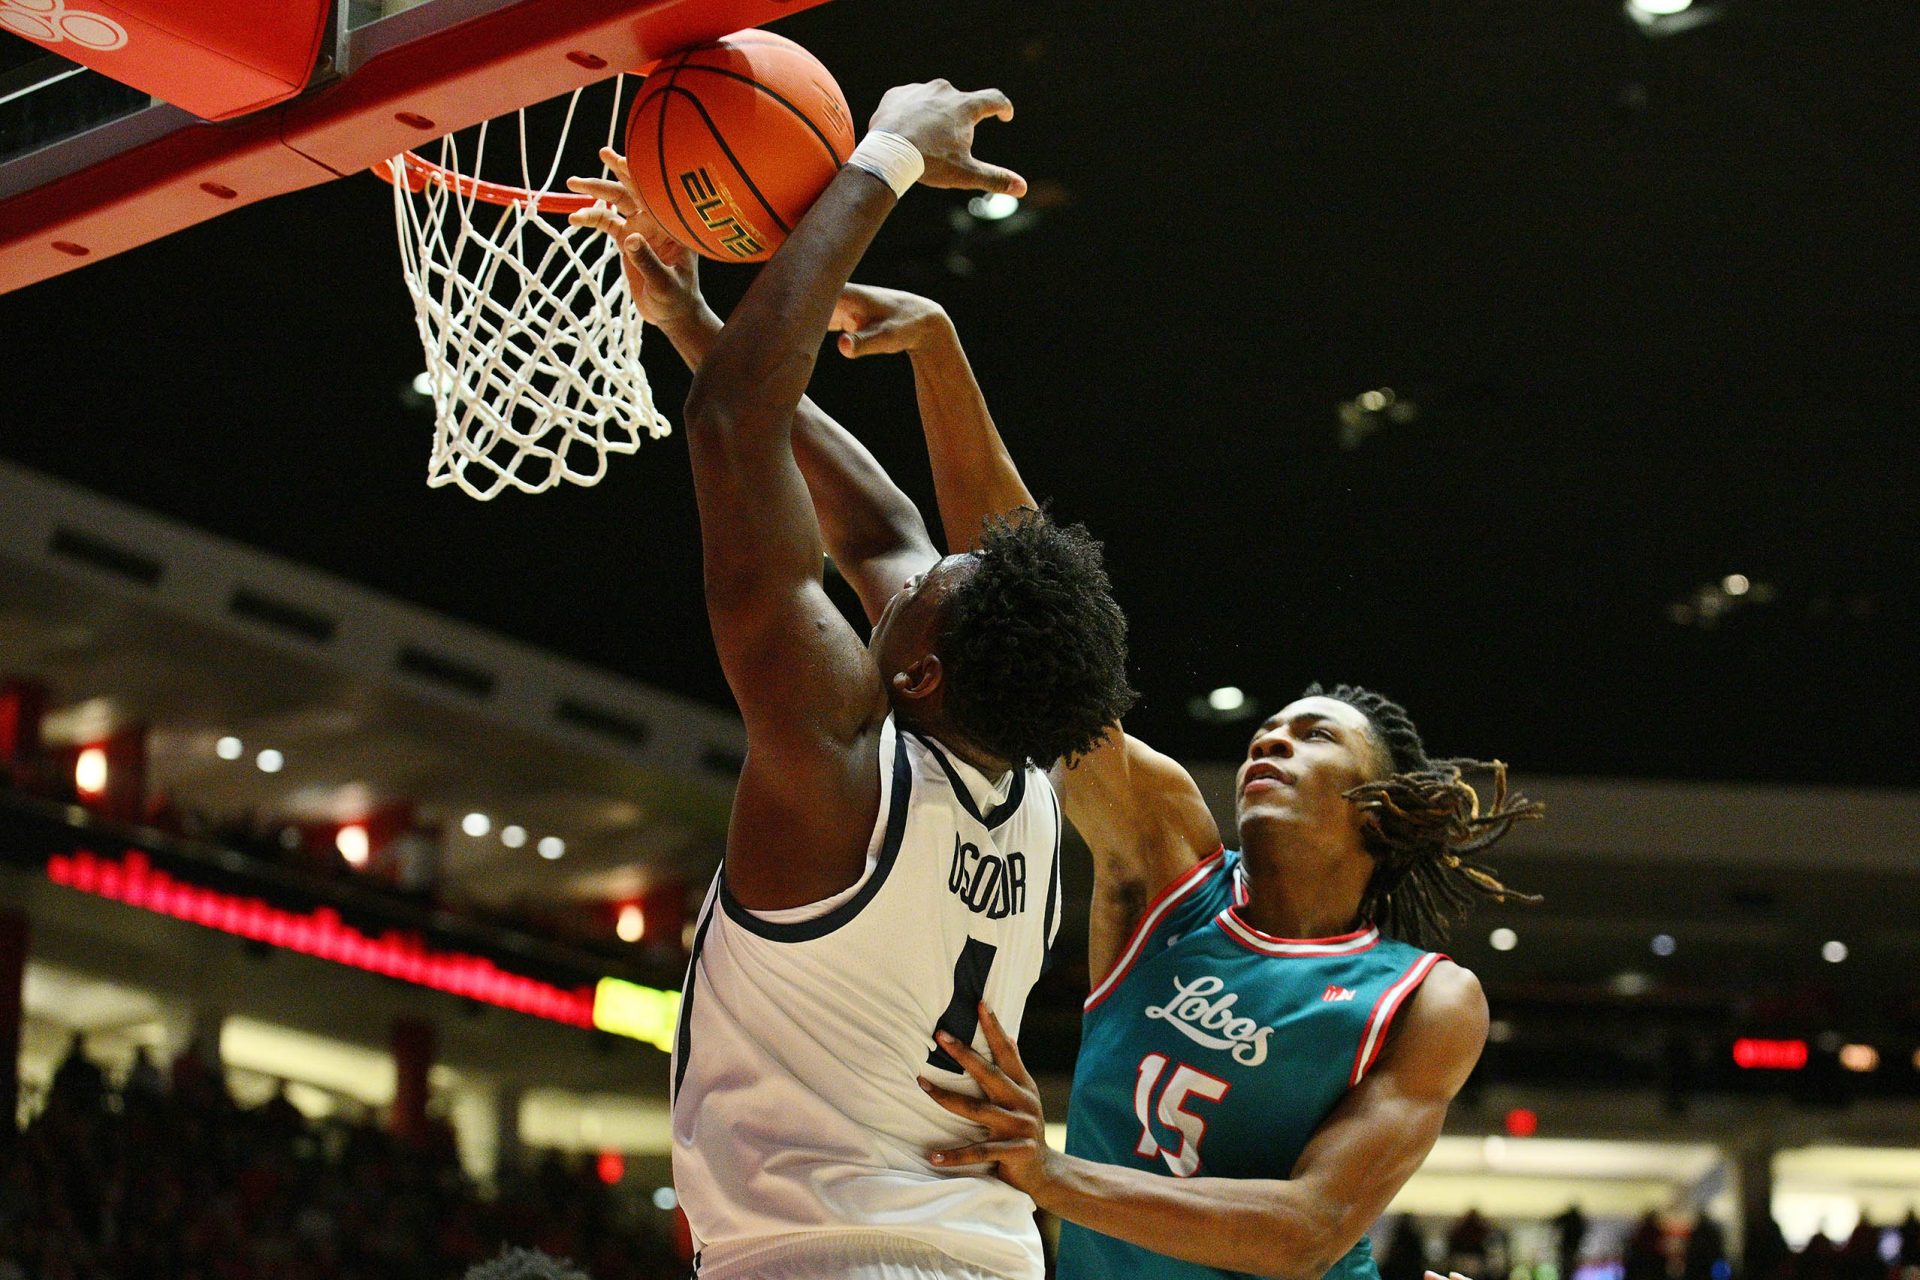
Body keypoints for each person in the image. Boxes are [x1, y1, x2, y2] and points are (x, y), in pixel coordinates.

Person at [824, 246, 1542, 1278]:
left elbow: (1307, 1228)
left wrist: (1054, 1173)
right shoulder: (1165, 865)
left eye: (1313, 734)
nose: (1272, 738)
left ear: (1379, 807)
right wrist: (939, 350)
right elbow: (1043, 619)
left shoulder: (1422, 996)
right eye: (1270, 726)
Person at [567, 81, 1134, 1280]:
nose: (928, 553)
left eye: (944, 576)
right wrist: (691, 319)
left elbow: (734, 428)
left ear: (919, 663)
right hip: (966, 1253)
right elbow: (878, 528)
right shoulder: (1023, 783)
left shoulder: (843, 772)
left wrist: (882, 163)